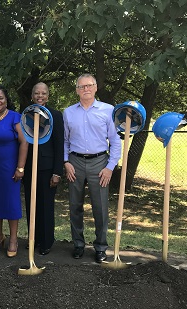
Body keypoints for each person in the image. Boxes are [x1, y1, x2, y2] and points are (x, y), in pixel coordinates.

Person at [63, 74, 121, 263]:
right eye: (82, 86)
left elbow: (115, 141)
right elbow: (64, 140)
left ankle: (101, 247)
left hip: (100, 163)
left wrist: (110, 167)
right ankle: (78, 245)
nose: (86, 89)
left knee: (101, 208)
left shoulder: (108, 110)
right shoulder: (69, 112)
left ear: (96, 87)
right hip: (75, 162)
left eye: (89, 85)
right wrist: (66, 162)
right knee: (74, 206)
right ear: (77, 90)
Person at [0, 85, 28, 257]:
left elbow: (24, 142)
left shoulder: (15, 117)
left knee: (11, 203)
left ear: (6, 99)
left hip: (11, 169)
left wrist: (20, 167)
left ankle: (13, 239)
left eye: (1, 98)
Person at [23, 82, 64, 256]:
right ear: (32, 96)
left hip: (47, 168)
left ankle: (46, 242)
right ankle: (34, 238)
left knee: (46, 205)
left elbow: (59, 144)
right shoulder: (25, 115)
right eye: (37, 93)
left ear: (48, 96)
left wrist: (57, 172)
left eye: (43, 93)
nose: (40, 96)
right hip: (28, 167)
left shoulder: (55, 115)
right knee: (31, 204)